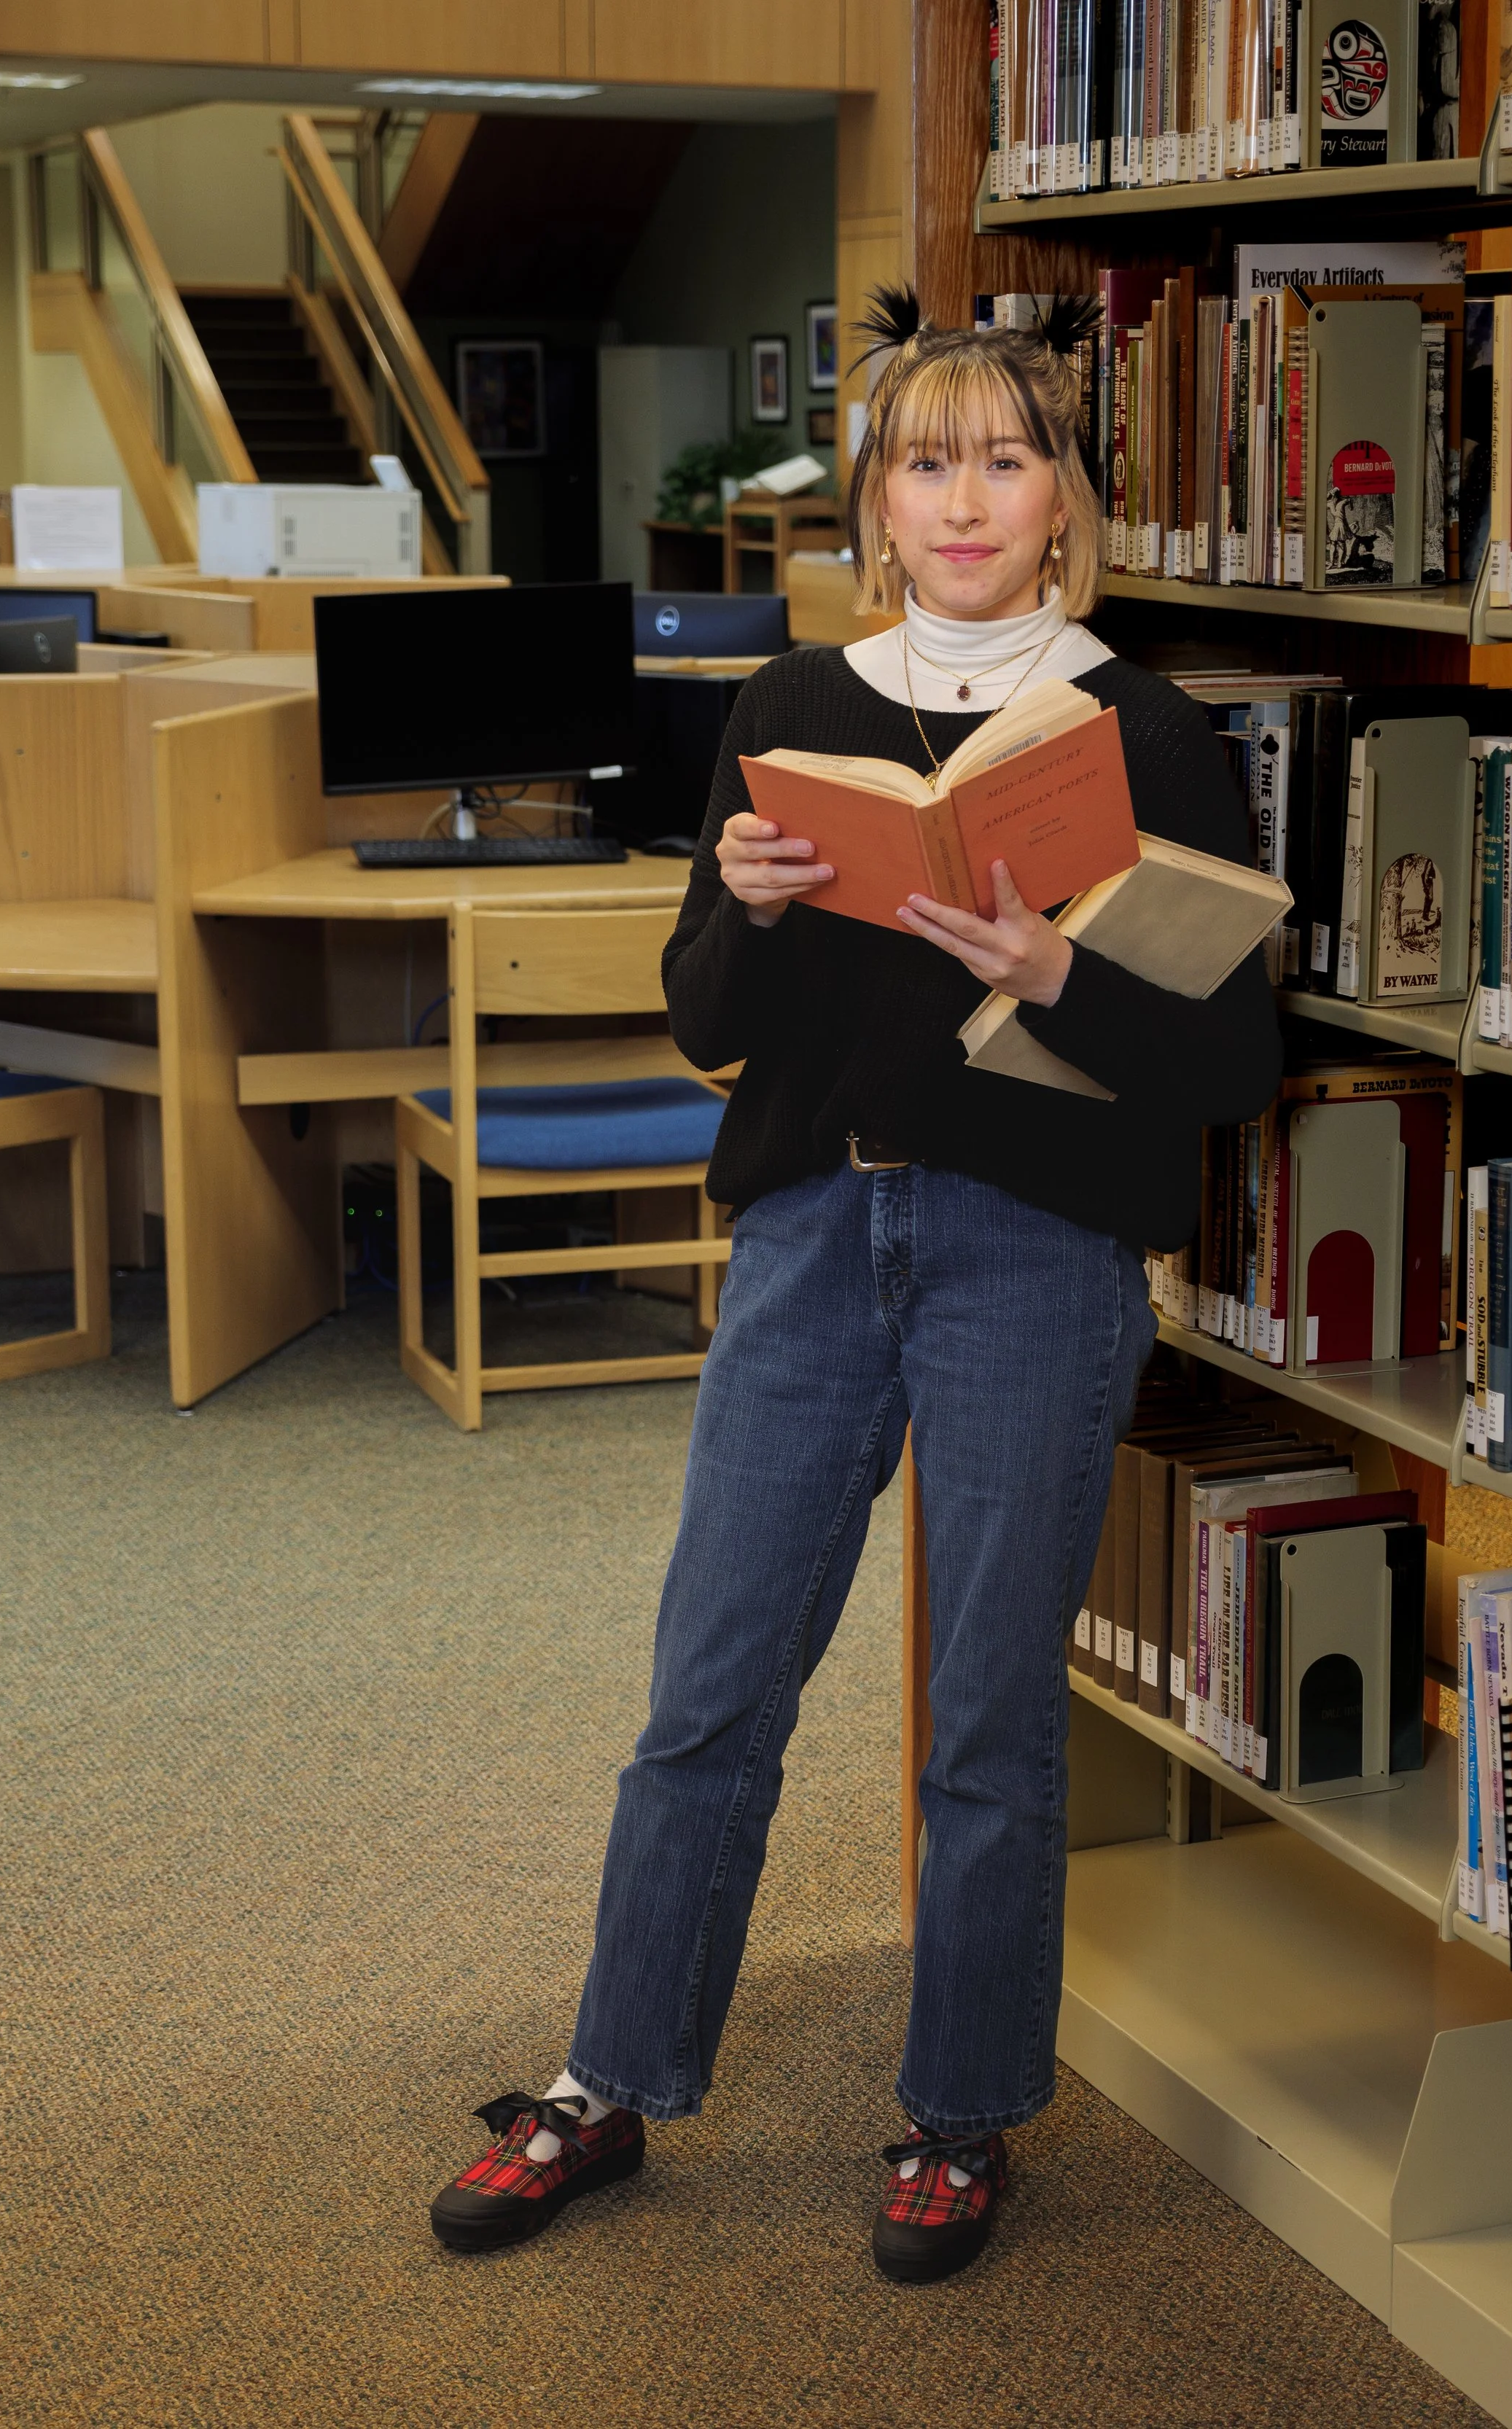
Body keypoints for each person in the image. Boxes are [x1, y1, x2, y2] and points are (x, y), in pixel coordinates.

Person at [428, 289, 1282, 2282]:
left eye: (1004, 459)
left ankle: (959, 2112)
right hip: (816, 1237)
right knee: (707, 1683)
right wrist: (728, 909)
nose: (964, 497)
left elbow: (1233, 1062)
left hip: (1032, 1254)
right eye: (926, 460)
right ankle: (607, 2073)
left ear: (1061, 499)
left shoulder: (1140, 732)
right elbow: (713, 1026)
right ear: (877, 502)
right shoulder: (790, 702)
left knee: (986, 1714)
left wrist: (1058, 973)